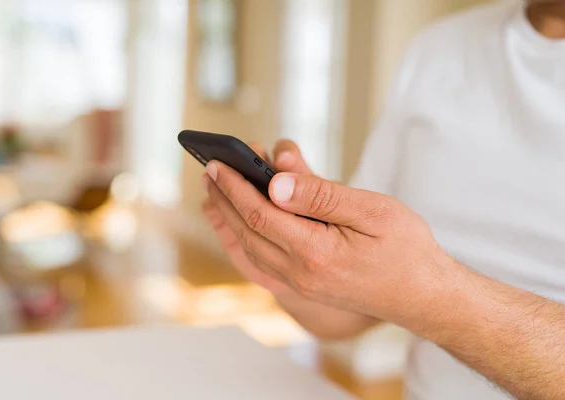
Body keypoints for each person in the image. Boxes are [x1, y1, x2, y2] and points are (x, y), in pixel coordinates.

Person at [202, 0, 565, 399]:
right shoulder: (438, 48)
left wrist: (433, 298)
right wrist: (291, 271)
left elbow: (417, 294)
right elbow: (354, 307)